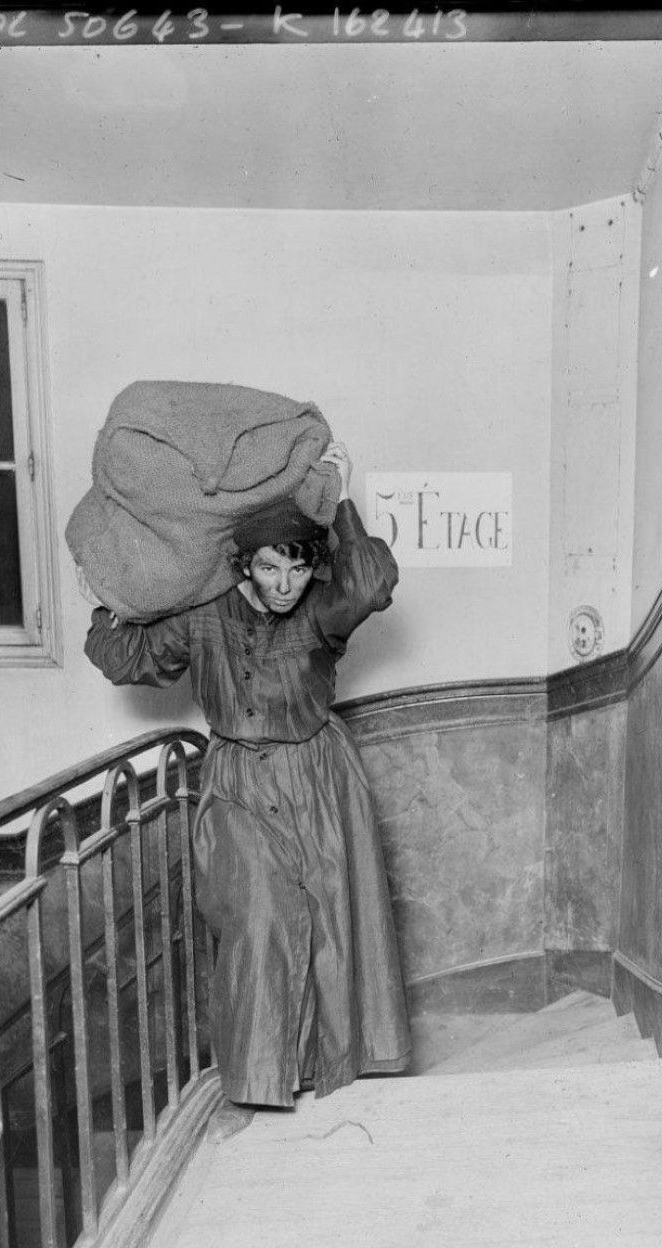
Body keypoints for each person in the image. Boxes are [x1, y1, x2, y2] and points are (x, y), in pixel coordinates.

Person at [84, 441, 411, 1141]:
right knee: (260, 911)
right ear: (242, 567)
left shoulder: (324, 611)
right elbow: (126, 658)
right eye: (270, 566)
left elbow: (373, 584)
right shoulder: (203, 617)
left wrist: (341, 500)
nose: (286, 581)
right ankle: (263, 1078)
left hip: (319, 777)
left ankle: (323, 1064)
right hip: (236, 781)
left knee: (329, 917)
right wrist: (102, 601)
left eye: (297, 564)